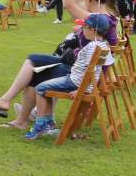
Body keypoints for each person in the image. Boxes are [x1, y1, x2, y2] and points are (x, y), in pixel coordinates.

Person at [21, 13, 113, 141]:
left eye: (84, 27)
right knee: (46, 89)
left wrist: (81, 89)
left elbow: (89, 71)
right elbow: (100, 71)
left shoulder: (92, 47)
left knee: (40, 88)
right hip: (81, 82)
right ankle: (48, 122)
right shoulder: (103, 45)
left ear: (92, 30)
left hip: (74, 82)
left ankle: (40, 124)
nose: (83, 30)